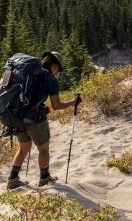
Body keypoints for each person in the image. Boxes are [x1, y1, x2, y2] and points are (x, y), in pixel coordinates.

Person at [7, 51, 81, 189]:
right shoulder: (51, 80)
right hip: (36, 119)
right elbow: (56, 105)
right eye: (58, 68)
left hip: (18, 117)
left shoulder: (28, 74)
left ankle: (12, 180)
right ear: (55, 65)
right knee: (44, 149)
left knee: (23, 149)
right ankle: (45, 179)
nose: (57, 71)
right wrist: (73, 102)